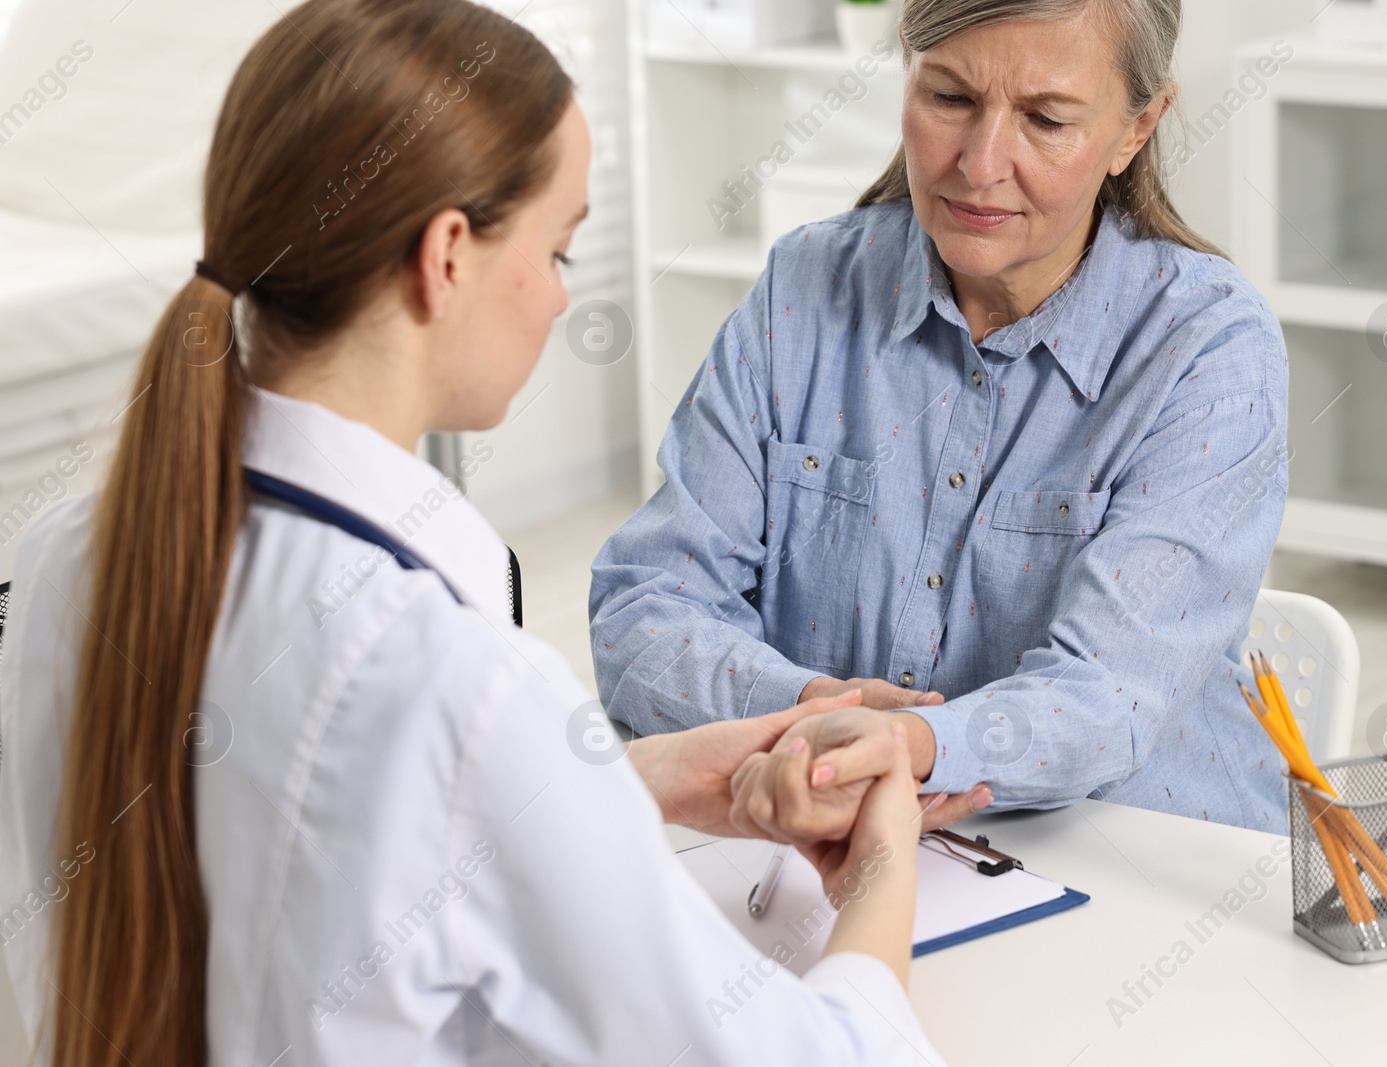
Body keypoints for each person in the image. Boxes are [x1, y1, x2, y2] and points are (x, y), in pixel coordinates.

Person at [0, 2, 958, 1063]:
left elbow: (320, 831)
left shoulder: (61, 555)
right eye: (558, 248)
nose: (559, 298)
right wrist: (882, 866)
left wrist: (612, 784)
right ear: (446, 254)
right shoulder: (460, 686)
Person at [590, 0, 1291, 833]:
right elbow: (643, 604)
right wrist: (813, 709)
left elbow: (1108, 695)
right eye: (950, 100)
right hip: (840, 849)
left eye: (1046, 119)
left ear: (1138, 128)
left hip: (1137, 861)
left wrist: (907, 745)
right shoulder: (804, 287)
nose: (981, 162)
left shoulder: (1208, 346)